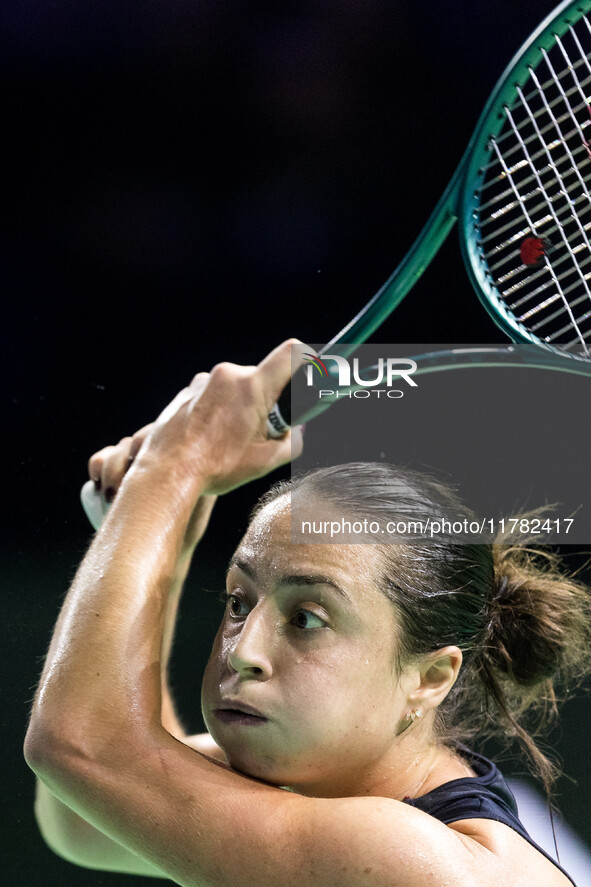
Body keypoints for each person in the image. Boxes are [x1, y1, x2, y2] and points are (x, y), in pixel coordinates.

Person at [24, 340, 589, 887]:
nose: (242, 653)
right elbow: (86, 816)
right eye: (238, 602)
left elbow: (81, 749)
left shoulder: (421, 863)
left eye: (307, 619)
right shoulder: (330, 779)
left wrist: (176, 462)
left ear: (430, 677)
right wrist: (165, 538)